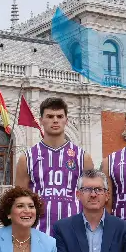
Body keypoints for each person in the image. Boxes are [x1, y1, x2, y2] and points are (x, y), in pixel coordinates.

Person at [15, 97, 94, 235]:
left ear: (66, 120)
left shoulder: (83, 158)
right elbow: (19, 202)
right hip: (39, 234)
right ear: (41, 121)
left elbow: (92, 200)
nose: (55, 120)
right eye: (50, 116)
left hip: (75, 235)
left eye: (59, 116)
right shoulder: (27, 158)